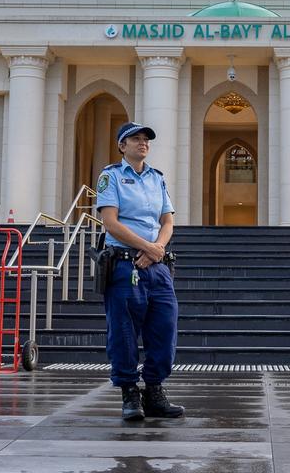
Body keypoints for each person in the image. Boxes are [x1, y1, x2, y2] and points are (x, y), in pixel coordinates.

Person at [95, 121, 185, 421]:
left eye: (146, 139)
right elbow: (111, 223)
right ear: (122, 146)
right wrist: (146, 248)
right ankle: (130, 393)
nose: (142, 143)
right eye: (135, 139)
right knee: (123, 331)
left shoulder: (157, 179)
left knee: (165, 327)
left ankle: (155, 390)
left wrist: (156, 248)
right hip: (124, 264)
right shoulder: (111, 177)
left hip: (156, 266)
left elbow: (167, 221)